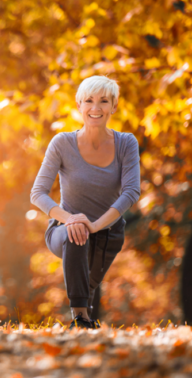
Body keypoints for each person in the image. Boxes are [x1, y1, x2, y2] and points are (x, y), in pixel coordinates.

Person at [30, 76, 140, 328]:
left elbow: (131, 191)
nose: (95, 108)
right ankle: (80, 318)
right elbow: (37, 193)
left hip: (108, 233)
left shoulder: (126, 144)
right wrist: (71, 219)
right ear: (79, 105)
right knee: (75, 233)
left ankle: (86, 318)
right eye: (88, 101)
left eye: (103, 101)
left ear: (113, 106)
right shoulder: (62, 143)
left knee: (88, 283)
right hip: (64, 230)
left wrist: (95, 225)